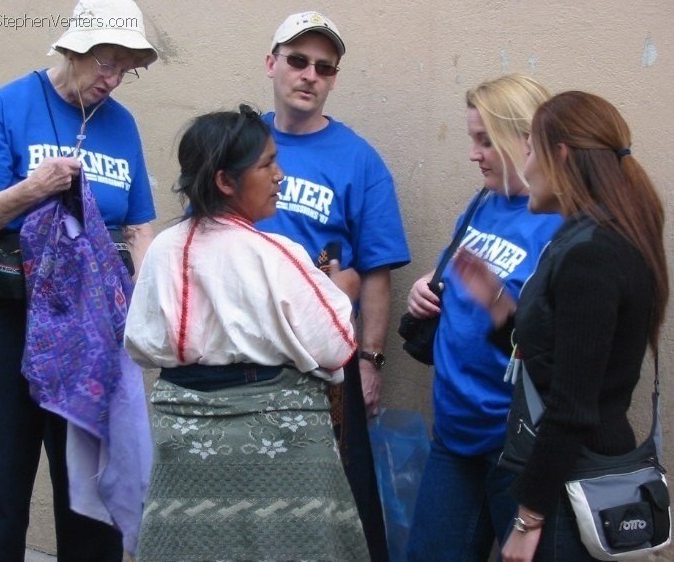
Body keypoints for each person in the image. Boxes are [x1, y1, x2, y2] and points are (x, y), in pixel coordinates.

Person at [0, 0, 157, 560]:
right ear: (72, 49)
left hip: (83, 317)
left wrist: (145, 309)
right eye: (106, 63)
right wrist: (32, 189)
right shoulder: (9, 104)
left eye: (125, 68)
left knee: (87, 463)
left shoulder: (123, 124)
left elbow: (139, 225)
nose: (114, 79)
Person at [123, 104, 371, 562]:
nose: (280, 175)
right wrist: (340, 291)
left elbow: (141, 342)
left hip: (183, 439)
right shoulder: (276, 253)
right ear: (224, 181)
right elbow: (336, 347)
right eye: (267, 164)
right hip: (281, 446)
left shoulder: (163, 250)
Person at [453, 90, 669, 561]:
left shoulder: (592, 254)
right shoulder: (586, 239)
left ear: (561, 156)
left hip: (570, 496)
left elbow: (571, 407)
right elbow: (557, 357)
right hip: (567, 483)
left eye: (530, 150)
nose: (526, 166)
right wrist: (498, 309)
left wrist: (528, 519)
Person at [257, 12, 411, 558]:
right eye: (297, 61)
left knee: (334, 500)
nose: (309, 75)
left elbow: (374, 273)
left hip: (326, 359)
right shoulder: (238, 143)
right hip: (245, 353)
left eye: (325, 67)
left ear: (334, 79)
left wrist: (370, 362)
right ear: (272, 63)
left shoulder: (359, 160)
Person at [405, 74, 563, 561]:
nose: (474, 153)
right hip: (453, 435)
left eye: (484, 140)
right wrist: (427, 286)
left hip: (514, 448)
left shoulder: (559, 221)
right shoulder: (483, 204)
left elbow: (554, 349)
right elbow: (461, 272)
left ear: (526, 139)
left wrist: (495, 299)